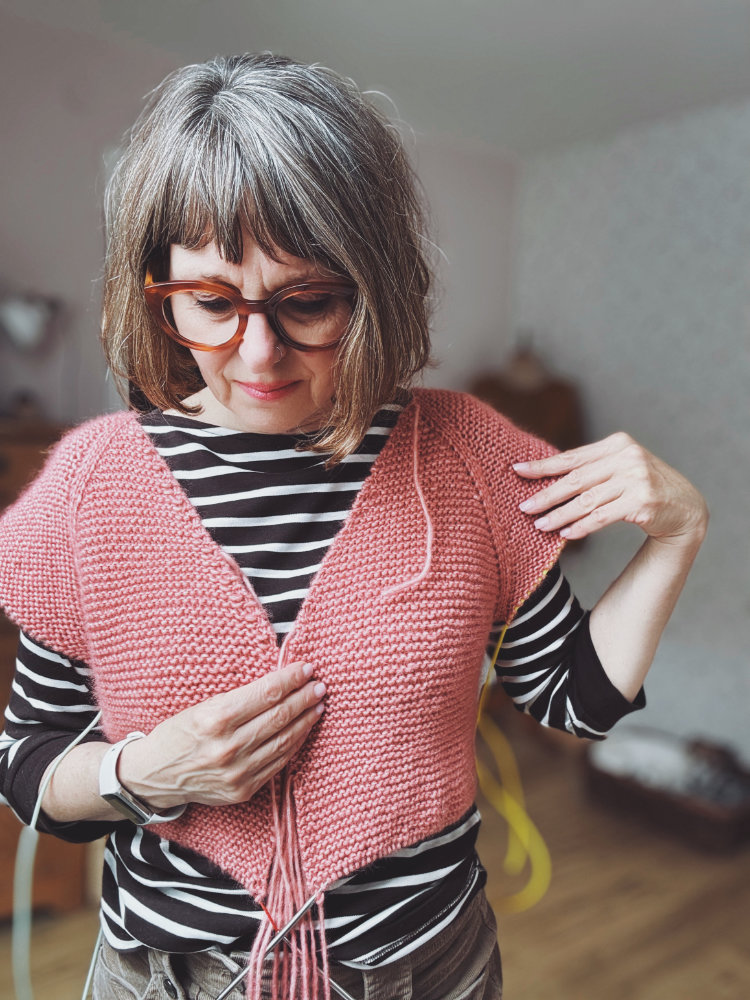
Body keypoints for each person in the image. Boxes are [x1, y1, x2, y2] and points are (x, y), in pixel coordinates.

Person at [0, 54, 708, 1000]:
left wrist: (678, 534)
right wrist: (142, 771)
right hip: (163, 975)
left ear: (372, 286)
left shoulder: (463, 458)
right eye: (212, 302)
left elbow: (572, 702)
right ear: (156, 291)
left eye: (308, 302)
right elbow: (30, 767)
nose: (257, 352)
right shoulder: (90, 487)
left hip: (427, 969)